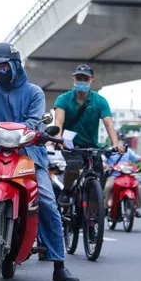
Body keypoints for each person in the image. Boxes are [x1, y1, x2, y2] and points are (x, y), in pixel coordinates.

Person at [0, 43, 79, 281]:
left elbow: (34, 122)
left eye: (2, 66)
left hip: (29, 155)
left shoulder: (34, 93)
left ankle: (58, 263)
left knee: (47, 200)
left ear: (15, 66)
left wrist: (34, 133)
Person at [53, 64, 124, 206]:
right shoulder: (63, 99)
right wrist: (58, 138)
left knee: (98, 178)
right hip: (70, 144)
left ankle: (92, 218)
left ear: (92, 80)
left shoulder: (100, 101)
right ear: (73, 79)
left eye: (85, 78)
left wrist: (116, 143)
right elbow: (58, 122)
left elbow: (109, 124)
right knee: (72, 166)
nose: (82, 81)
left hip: (92, 146)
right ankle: (67, 191)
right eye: (79, 78)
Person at [103, 139, 141, 218]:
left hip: (126, 175)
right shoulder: (109, 151)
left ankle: (135, 208)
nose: (121, 148)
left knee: (137, 187)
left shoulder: (128, 151)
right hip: (114, 176)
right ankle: (105, 207)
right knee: (108, 187)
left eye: (123, 146)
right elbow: (103, 160)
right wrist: (105, 165)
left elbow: (137, 159)